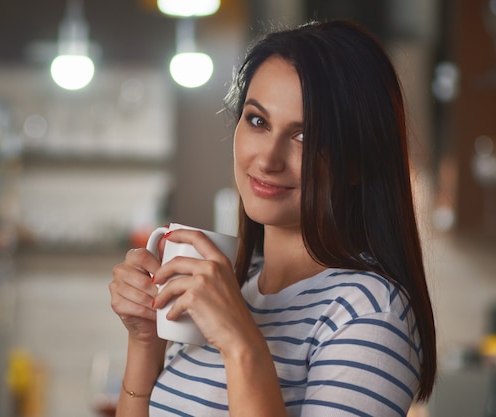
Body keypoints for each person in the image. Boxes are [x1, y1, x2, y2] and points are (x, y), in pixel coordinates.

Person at [109, 19, 437, 417]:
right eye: (258, 121)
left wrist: (242, 346)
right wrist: (146, 342)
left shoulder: (368, 312)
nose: (267, 159)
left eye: (306, 135)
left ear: (357, 162)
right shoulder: (235, 286)